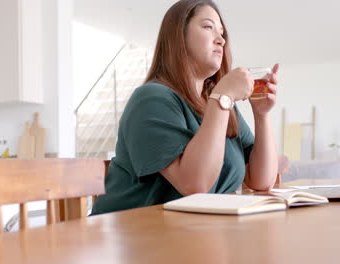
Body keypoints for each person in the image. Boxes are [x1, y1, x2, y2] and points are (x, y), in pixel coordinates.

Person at [91, 0, 279, 215]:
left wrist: (261, 115)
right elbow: (195, 186)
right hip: (131, 237)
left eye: (222, 32)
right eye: (208, 27)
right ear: (178, 35)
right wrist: (223, 97)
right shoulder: (152, 99)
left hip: (192, 233)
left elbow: (261, 182)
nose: (221, 40)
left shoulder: (220, 105)